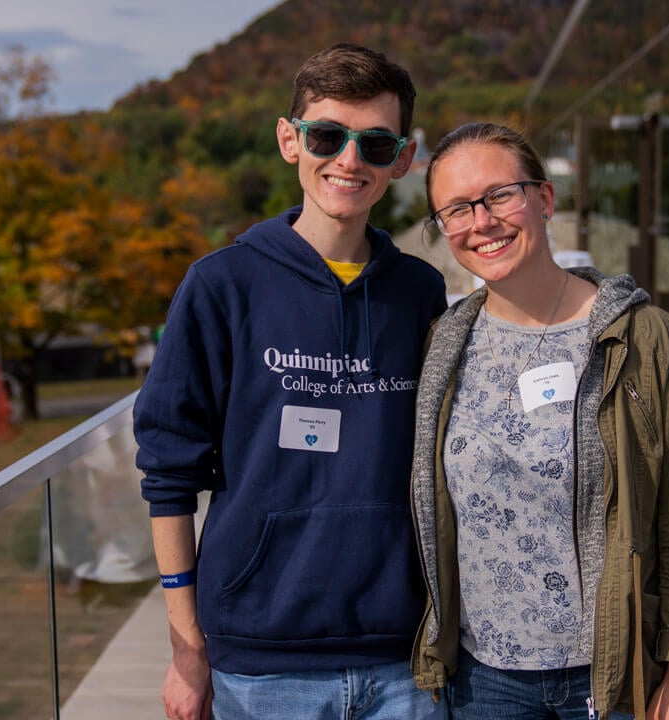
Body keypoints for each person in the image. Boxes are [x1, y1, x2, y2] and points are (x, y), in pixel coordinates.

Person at [134, 43, 447, 720]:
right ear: (289, 139)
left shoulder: (421, 292)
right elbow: (168, 474)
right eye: (327, 136)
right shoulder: (221, 286)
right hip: (261, 661)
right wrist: (188, 649)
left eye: (374, 143)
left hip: (404, 659)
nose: (348, 160)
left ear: (404, 158)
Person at [409, 122, 669, 720]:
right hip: (482, 679)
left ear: (544, 200)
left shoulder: (642, 339)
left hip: (611, 674)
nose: (482, 221)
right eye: (456, 210)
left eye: (500, 195)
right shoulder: (444, 344)